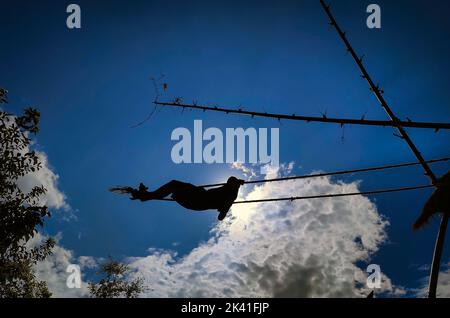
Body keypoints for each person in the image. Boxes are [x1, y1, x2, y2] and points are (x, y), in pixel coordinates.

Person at [110, 177, 245, 221]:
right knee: (174, 185)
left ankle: (145, 196)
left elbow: (222, 214)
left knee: (174, 184)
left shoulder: (231, 195)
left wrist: (224, 210)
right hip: (197, 198)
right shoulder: (227, 188)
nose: (230, 182)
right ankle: (146, 196)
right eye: (231, 181)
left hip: (199, 200)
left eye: (233, 182)